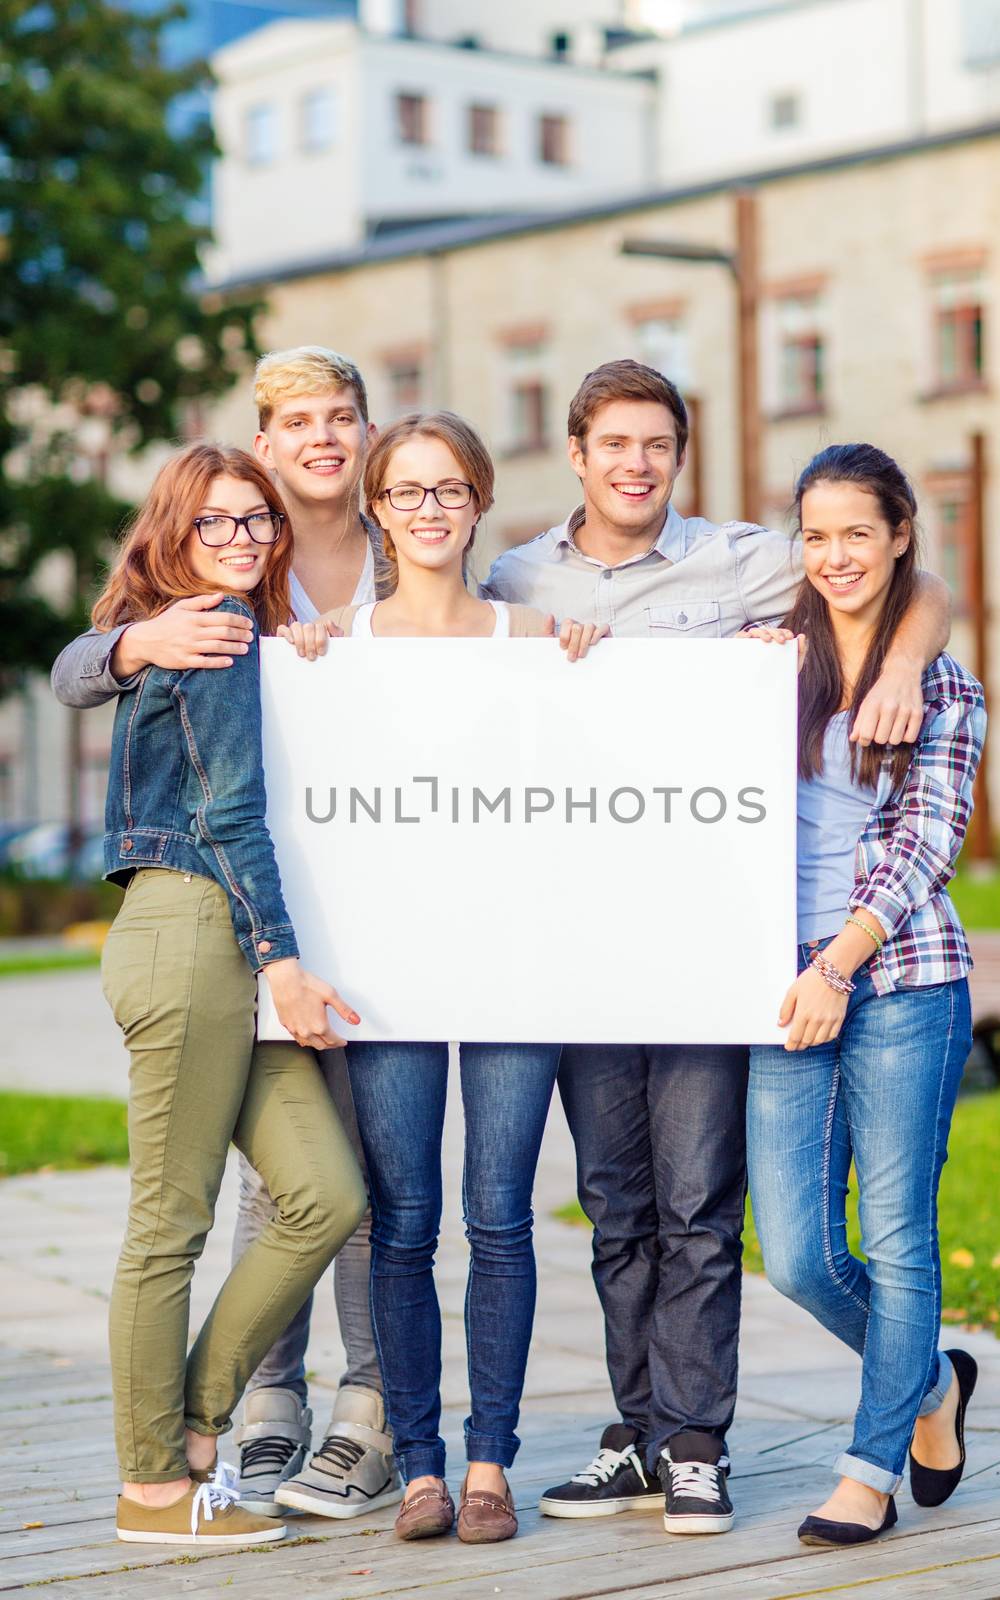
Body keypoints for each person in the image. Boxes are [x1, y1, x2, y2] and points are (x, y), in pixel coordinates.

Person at [483, 360, 954, 1537]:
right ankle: (652, 1432)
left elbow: (904, 585)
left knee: (751, 1213)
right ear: (579, 452)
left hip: (787, 965)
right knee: (672, 1216)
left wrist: (900, 660)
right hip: (609, 945)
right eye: (615, 443)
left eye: (659, 444)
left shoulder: (755, 568)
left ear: (677, 456)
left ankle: (775, 1450)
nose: (636, 463)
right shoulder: (517, 577)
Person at [51, 347, 398, 1523]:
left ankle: (197, 1416)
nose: (247, 535)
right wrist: (282, 963)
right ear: (178, 532)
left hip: (223, 938)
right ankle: (153, 1481)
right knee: (172, 1218)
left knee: (322, 1193)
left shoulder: (232, 630)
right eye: (220, 521)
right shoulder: (201, 635)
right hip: (196, 931)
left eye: (257, 520)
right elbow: (226, 816)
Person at [281, 410, 603, 1546]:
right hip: (389, 977)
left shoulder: (541, 640)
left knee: (499, 1217)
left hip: (514, 967)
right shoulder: (332, 648)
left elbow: (595, 791)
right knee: (404, 1220)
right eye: (405, 491)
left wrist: (592, 675)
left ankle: (488, 1464)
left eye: (447, 489)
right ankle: (416, 1461)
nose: (427, 509)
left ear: (477, 503)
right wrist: (308, 664)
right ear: (375, 509)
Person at [743, 443, 984, 1547]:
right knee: (794, 1251)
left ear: (897, 538)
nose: (833, 554)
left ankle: (866, 1466)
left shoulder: (939, 681)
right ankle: (928, 1381)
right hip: (783, 984)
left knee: (895, 1236)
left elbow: (926, 842)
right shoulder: (766, 665)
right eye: (815, 534)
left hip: (896, 978)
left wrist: (838, 961)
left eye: (856, 532)